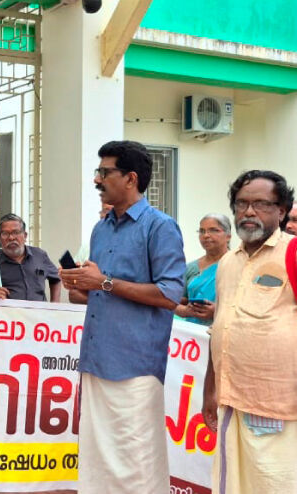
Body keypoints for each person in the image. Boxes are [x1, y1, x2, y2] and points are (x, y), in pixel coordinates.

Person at [58, 141, 185, 494]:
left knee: (136, 463)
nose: (97, 180)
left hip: (135, 366)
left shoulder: (160, 227)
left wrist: (104, 282)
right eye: (98, 171)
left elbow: (170, 295)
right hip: (96, 360)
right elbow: (99, 292)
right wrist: (79, 283)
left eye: (105, 172)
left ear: (130, 178)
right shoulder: (101, 229)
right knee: (97, 462)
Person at [202, 170, 297, 494]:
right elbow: (221, 326)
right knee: (234, 484)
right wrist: (210, 389)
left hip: (280, 406)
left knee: (276, 484)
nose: (249, 212)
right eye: (241, 204)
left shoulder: (292, 254)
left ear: (281, 211)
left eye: (261, 204)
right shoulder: (228, 262)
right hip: (232, 400)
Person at [0, 213, 61, 302]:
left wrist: (54, 305)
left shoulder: (40, 256)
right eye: (5, 233)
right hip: (8, 310)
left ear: (25, 236)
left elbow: (55, 279)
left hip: (39, 310)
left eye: (16, 232)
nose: (11, 238)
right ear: (0, 239)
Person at [173, 213, 231, 325]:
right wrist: (185, 311)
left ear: (228, 236)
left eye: (213, 230)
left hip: (223, 331)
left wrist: (218, 311)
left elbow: (250, 307)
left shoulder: (238, 265)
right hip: (193, 332)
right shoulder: (191, 268)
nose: (206, 235)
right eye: (202, 231)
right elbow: (173, 302)